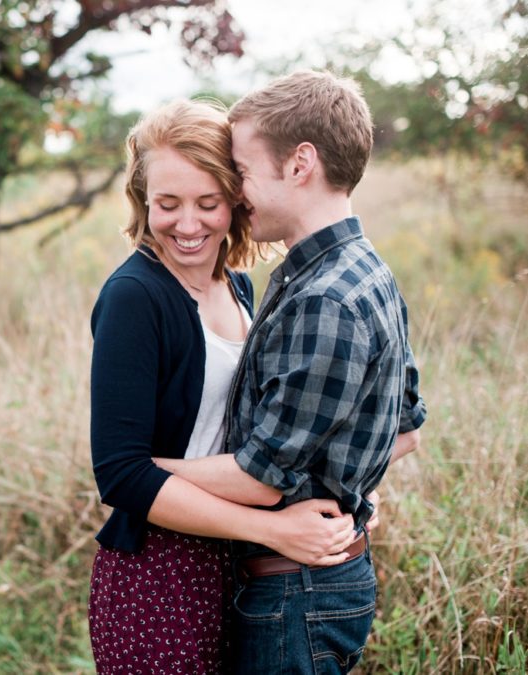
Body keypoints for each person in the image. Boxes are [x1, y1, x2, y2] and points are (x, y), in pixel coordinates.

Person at [154, 71, 427, 673]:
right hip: (314, 582)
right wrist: (348, 488)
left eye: (244, 171)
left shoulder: (323, 299)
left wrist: (146, 472)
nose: (238, 192)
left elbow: (261, 481)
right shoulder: (364, 269)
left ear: (300, 164)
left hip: (296, 594)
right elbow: (405, 430)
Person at [87, 99, 363, 674]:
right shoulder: (135, 297)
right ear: (142, 201)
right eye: (167, 204)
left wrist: (348, 490)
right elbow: (119, 473)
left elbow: (281, 421)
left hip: (237, 561)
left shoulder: (239, 286)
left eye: (207, 203)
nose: (188, 225)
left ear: (237, 195)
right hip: (160, 570)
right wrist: (270, 527)